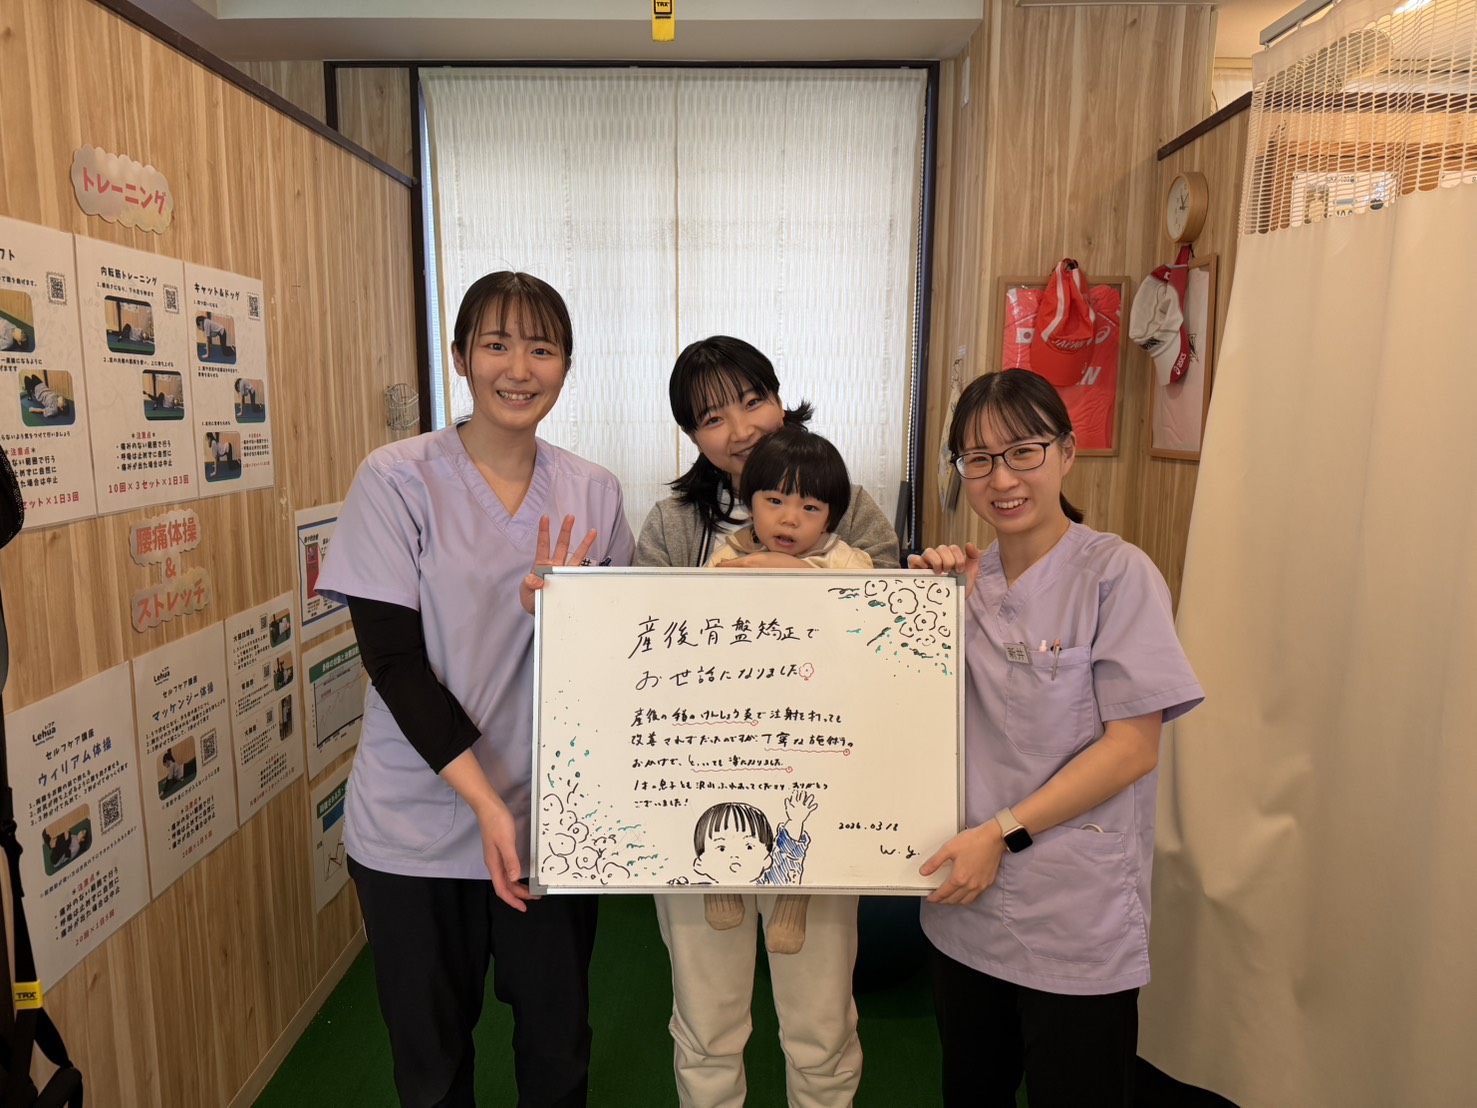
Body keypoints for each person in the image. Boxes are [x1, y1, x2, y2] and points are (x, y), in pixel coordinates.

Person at [315, 271, 634, 1108]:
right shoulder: (397, 479)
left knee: (556, 1054)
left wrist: (559, 615)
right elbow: (393, 663)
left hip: (551, 824)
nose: (518, 368)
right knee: (431, 1068)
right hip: (415, 825)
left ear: (566, 365)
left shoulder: (594, 492)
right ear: (460, 357)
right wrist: (487, 805)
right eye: (496, 345)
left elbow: (616, 664)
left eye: (542, 348)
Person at [908, 368, 1204, 1107]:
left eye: (1023, 452)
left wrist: (1001, 833)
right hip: (965, 905)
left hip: (1073, 913)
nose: (1001, 479)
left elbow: (1132, 749)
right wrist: (920, 607)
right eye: (978, 459)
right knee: (971, 1091)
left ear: (1066, 453)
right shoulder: (962, 586)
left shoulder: (1116, 575)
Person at [635, 334, 896, 1108]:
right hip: (694, 798)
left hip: (818, 785)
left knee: (819, 1017)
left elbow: (893, 631)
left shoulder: (847, 503)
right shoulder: (673, 524)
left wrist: (795, 575)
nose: (740, 427)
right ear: (691, 434)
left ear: (781, 400)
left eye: (753, 401)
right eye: (712, 417)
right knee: (706, 1015)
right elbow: (637, 645)